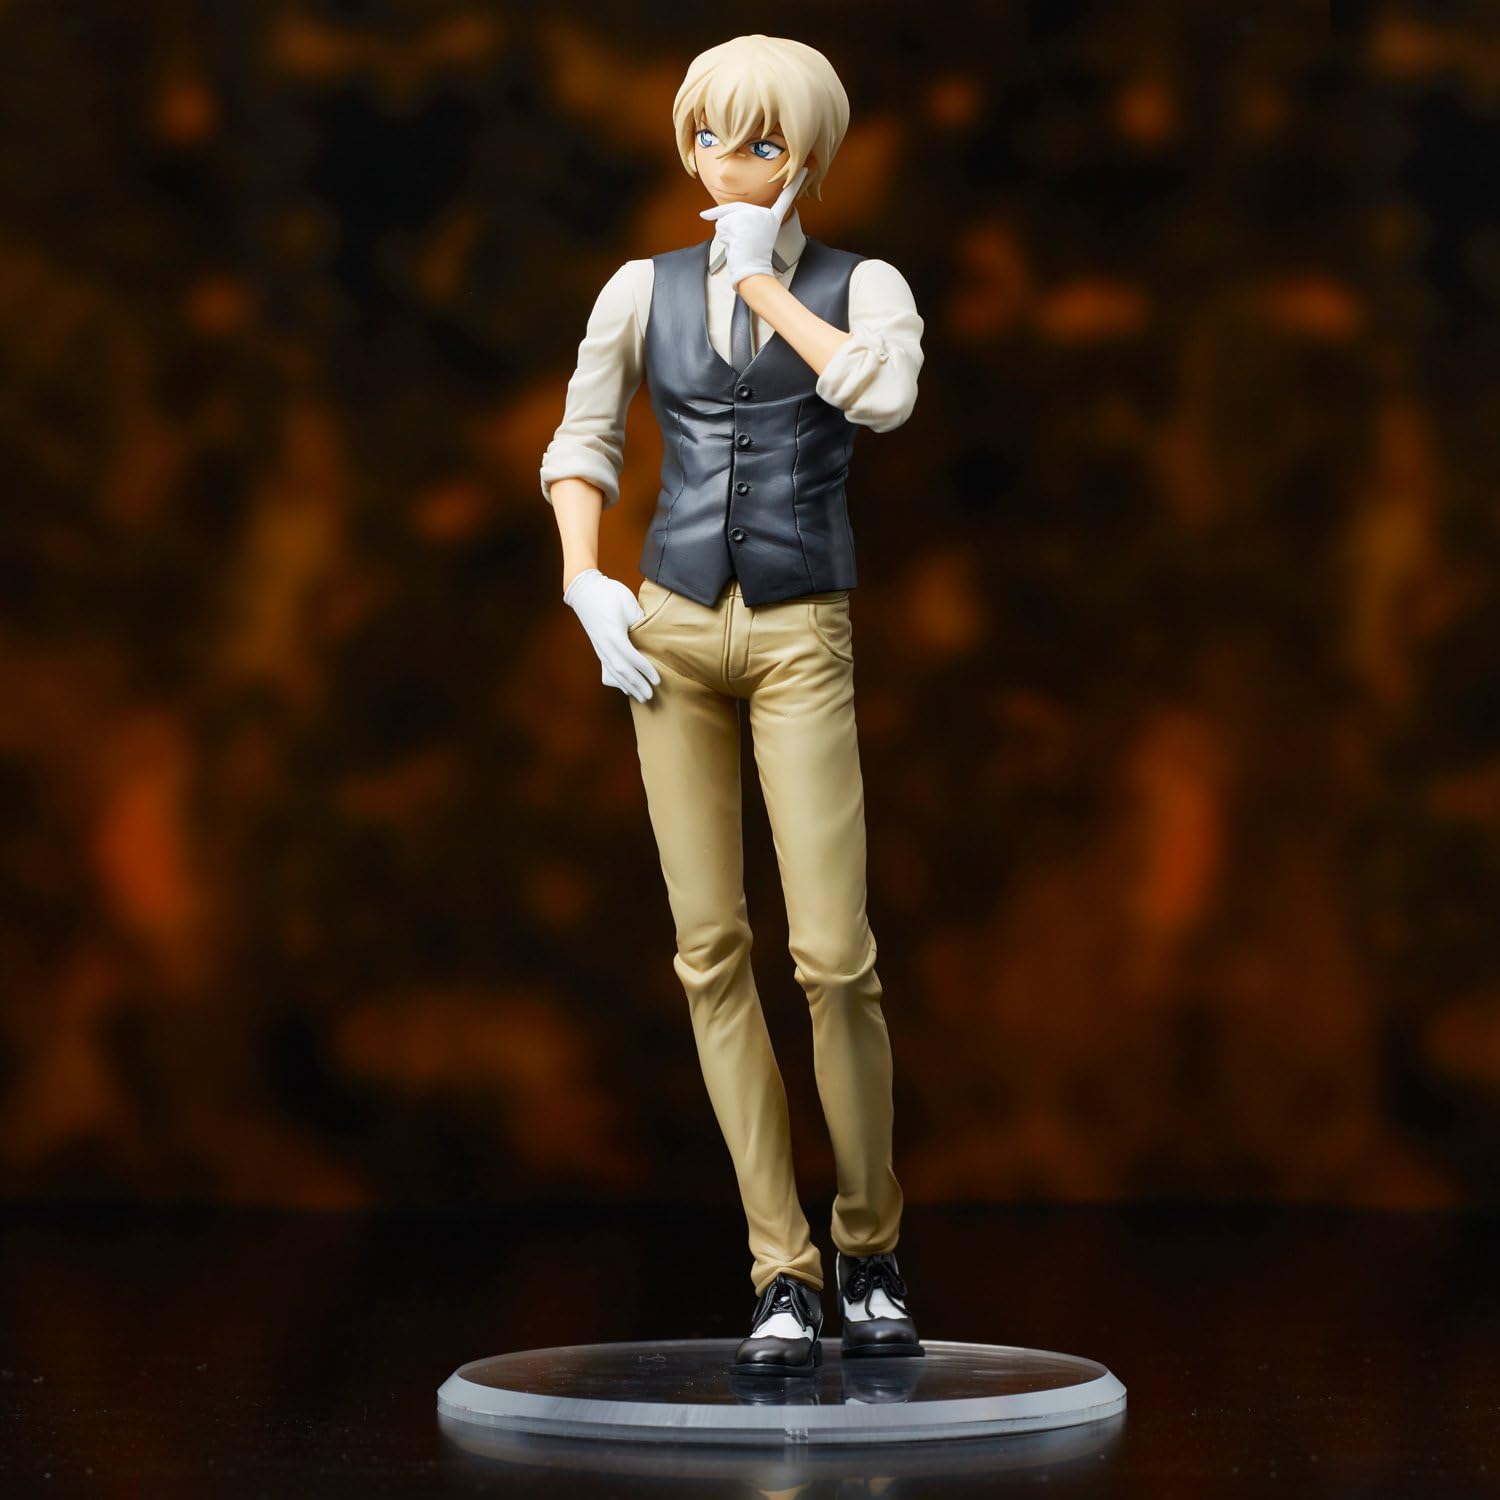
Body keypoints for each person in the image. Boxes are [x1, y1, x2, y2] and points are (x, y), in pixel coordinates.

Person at [540, 33, 925, 1375]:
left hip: (801, 632)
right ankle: (782, 1270)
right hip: (672, 628)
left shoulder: (859, 284)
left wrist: (764, 282)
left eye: (760, 141)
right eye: (710, 136)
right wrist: (586, 582)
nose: (728, 162)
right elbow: (582, 440)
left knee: (833, 958)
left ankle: (870, 1249)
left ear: (807, 157)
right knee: (709, 951)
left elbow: (882, 394)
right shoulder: (639, 290)